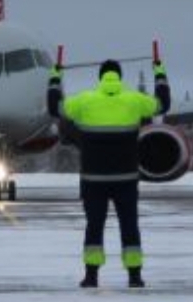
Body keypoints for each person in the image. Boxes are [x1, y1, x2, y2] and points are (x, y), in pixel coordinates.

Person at [48, 56, 170, 288]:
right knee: (129, 225)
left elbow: (55, 107)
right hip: (126, 179)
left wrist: (56, 76)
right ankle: (134, 276)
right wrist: (159, 72)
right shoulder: (133, 100)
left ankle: (91, 276)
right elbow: (163, 104)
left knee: (94, 226)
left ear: (100, 77)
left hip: (93, 180)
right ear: (119, 77)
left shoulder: (85, 101)